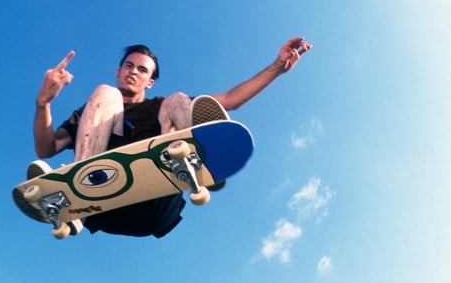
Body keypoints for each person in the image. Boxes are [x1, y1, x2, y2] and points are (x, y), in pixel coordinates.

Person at [30, 37, 312, 238]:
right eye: (129, 66)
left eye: (142, 70)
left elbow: (230, 100)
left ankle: (201, 163)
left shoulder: (160, 106)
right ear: (119, 70)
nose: (133, 72)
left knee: (177, 101)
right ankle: (83, 187)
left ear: (149, 82)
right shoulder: (94, 110)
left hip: (154, 202)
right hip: (102, 204)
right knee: (104, 93)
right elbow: (46, 148)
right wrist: (44, 103)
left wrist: (277, 67)